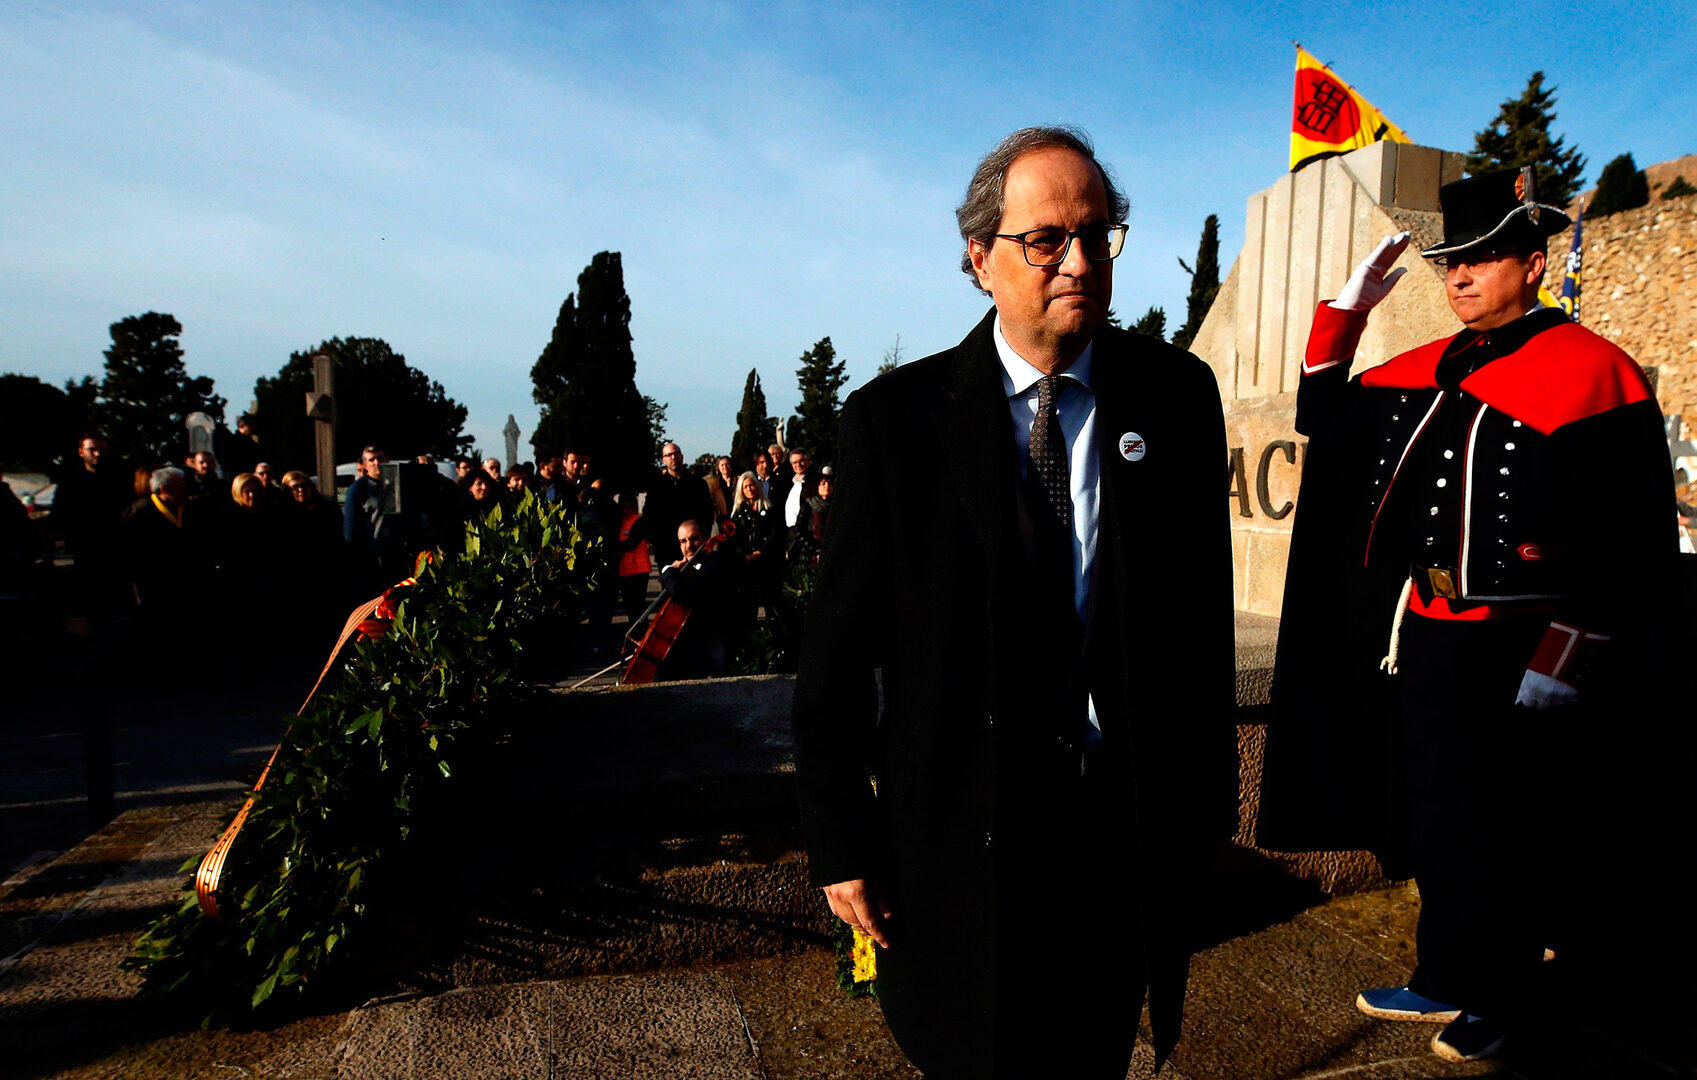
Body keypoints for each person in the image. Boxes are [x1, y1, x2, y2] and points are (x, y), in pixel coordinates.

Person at [790, 125, 1236, 1079]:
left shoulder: (1174, 396)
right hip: (956, 834)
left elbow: (1199, 622)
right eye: (1045, 240)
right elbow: (835, 659)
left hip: (1115, 830)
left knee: (1092, 1051)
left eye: (1096, 235)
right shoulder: (895, 422)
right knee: (969, 1050)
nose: (1078, 262)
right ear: (979, 257)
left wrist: (1205, 814)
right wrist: (840, 839)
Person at [1258, 169, 1682, 1064]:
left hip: (1524, 640)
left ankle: (1502, 994)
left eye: (1481, 258)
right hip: (1427, 629)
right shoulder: (1434, 365)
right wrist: (1345, 314)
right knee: (1439, 811)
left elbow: (1629, 539)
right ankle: (1446, 972)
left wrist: (1564, 659)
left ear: (1532, 265)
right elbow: (1322, 415)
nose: (1457, 274)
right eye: (1449, 260)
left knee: (1513, 826)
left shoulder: (1595, 371)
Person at [654, 518, 738, 679]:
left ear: (706, 538)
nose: (689, 546)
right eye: (683, 541)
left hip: (711, 647)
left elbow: (681, 592)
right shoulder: (688, 569)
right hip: (693, 644)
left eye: (694, 539)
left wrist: (668, 569)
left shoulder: (716, 564)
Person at [646, 442, 714, 566]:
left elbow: (707, 512)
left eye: (676, 454)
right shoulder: (656, 487)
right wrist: (654, 539)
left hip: (694, 548)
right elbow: (650, 515)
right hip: (666, 549)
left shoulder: (698, 484)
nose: (673, 457)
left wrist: (704, 537)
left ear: (681, 456)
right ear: (663, 459)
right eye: (669, 455)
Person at [728, 470, 781, 622]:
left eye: (751, 485)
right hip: (746, 562)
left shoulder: (769, 509)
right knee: (748, 603)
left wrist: (762, 551)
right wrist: (744, 555)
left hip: (766, 561)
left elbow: (775, 534)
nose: (749, 489)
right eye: (745, 487)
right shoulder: (737, 513)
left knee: (771, 601)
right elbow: (734, 539)